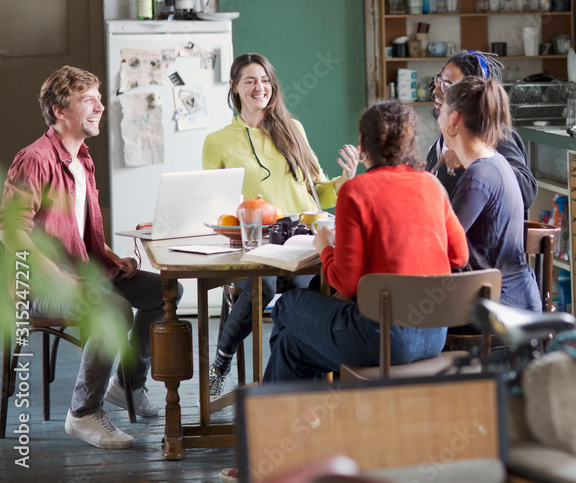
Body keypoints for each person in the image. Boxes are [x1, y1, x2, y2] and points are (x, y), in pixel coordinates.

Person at [0, 66, 171, 449]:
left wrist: (111, 256)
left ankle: (127, 383)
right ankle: (82, 413)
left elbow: (79, 231)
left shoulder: (83, 159)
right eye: (88, 99)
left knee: (164, 293)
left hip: (86, 271)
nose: (99, 106)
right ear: (60, 110)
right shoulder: (34, 158)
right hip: (41, 283)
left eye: (99, 97)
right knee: (113, 311)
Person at [262, 99, 469, 381]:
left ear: (362, 143)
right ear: (410, 144)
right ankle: (296, 419)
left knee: (287, 303)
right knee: (290, 347)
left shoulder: (356, 191)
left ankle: (284, 415)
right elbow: (460, 256)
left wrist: (325, 247)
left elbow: (345, 282)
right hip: (433, 336)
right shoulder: (431, 185)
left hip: (380, 338)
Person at [202, 53, 359, 397]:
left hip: (302, 238)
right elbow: (213, 202)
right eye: (250, 81)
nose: (260, 87)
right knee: (267, 286)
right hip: (253, 241)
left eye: (266, 80)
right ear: (234, 87)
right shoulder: (218, 141)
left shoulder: (293, 128)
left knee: (312, 288)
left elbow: (320, 192)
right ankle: (221, 362)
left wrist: (346, 178)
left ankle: (298, 383)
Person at [438, 76, 542, 311]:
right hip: (511, 298)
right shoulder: (494, 162)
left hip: (500, 306)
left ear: (454, 119)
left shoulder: (478, 177)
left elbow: (442, 245)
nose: (439, 118)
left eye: (441, 112)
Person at [426, 50, 537, 209]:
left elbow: (526, 192)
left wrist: (471, 158)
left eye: (446, 85)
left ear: (473, 94)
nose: (436, 90)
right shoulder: (447, 138)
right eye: (439, 80)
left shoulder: (495, 135)